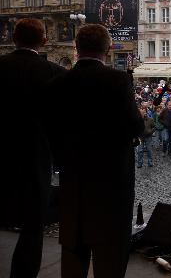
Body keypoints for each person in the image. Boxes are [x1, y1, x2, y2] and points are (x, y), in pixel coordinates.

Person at [46, 24, 143, 278]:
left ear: (76, 48)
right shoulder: (118, 80)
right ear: (108, 48)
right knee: (110, 258)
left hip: (73, 181)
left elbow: (51, 131)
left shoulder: (58, 83)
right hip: (111, 184)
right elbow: (135, 126)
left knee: (73, 255)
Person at [0, 18, 65, 278]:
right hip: (34, 159)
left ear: (13, 38)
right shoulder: (55, 74)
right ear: (45, 41)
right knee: (32, 228)